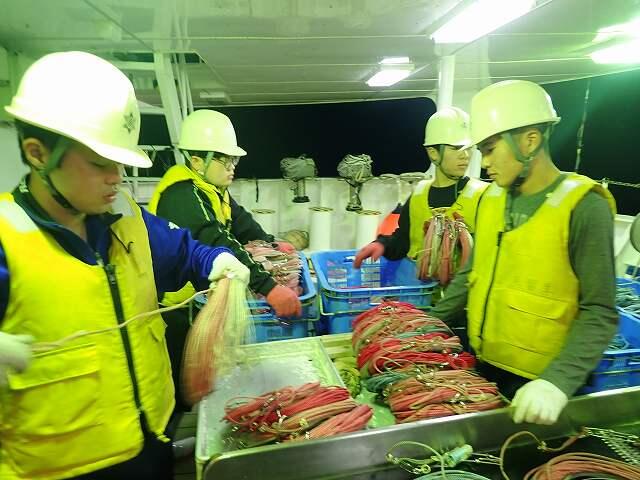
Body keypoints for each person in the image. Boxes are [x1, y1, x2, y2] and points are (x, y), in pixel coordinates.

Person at [0, 51, 250, 480]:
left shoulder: (126, 216)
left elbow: (184, 252)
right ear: (38, 153)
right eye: (100, 163)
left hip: (150, 444)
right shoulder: (7, 240)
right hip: (62, 470)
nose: (117, 177)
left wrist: (217, 260)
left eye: (121, 162)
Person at [430, 80, 618, 425]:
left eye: (490, 150)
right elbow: (471, 273)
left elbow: (599, 311)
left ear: (530, 141)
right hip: (484, 368)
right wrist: (427, 324)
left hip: (542, 387)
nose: (484, 162)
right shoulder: (490, 199)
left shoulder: (584, 206)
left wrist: (556, 383)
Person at [147, 109, 302, 412]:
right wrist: (269, 287)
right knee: (182, 381)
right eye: (224, 160)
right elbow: (217, 239)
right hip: (176, 308)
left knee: (202, 377)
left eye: (234, 160)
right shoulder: (183, 196)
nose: (232, 168)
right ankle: (180, 429)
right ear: (197, 161)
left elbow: (240, 221)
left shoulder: (212, 189)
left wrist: (271, 242)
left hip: (198, 299)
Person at [354, 107, 488, 269]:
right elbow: (403, 240)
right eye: (456, 148)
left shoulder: (482, 196)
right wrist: (382, 245)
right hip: (418, 284)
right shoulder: (418, 195)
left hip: (462, 285)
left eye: (468, 148)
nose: (465, 155)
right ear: (433, 153)